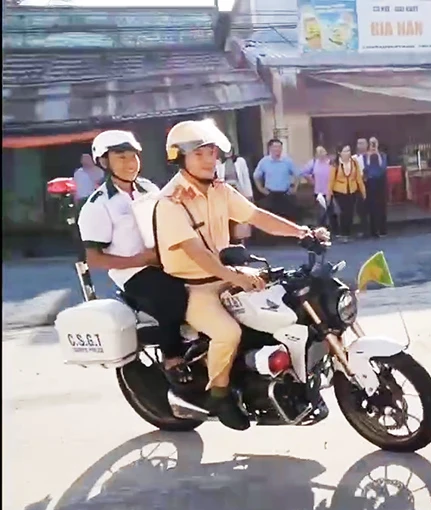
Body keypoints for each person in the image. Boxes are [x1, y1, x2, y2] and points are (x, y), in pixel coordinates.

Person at [156, 119, 329, 431]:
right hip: (196, 286)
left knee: (282, 303)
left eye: (212, 153)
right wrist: (235, 277)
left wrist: (302, 233)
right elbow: (196, 253)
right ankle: (219, 395)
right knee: (227, 333)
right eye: (200, 154)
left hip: (228, 273)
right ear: (180, 158)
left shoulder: (220, 191)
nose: (209, 160)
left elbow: (258, 216)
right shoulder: (171, 202)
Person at [77, 130, 192, 385]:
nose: (131, 163)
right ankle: (172, 359)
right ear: (104, 162)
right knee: (172, 295)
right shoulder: (97, 206)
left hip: (166, 261)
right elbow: (95, 259)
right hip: (133, 273)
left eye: (134, 156)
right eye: (121, 157)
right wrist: (143, 259)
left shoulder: (149, 189)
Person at [327, 144, 366, 243]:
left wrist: (363, 191)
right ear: (340, 153)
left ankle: (348, 233)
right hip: (339, 191)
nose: (347, 153)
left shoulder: (354, 162)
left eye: (349, 151)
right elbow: (331, 180)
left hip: (352, 190)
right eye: (345, 151)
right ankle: (343, 234)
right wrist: (329, 194)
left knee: (350, 212)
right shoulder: (335, 164)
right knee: (343, 212)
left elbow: (358, 178)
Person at [253, 139, 299, 220]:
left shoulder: (287, 161)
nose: (277, 149)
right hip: (271, 194)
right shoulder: (264, 161)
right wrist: (261, 189)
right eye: (275, 147)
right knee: (272, 219)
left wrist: (295, 188)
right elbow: (256, 176)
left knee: (288, 219)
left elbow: (297, 174)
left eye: (279, 147)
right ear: (270, 148)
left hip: (285, 194)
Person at [217, 150, 254, 245]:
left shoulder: (240, 161)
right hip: (223, 192)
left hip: (238, 191)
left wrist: (249, 195)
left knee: (240, 217)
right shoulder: (218, 162)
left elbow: (245, 178)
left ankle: (241, 242)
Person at [299, 145, 335, 229]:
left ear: (326, 152)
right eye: (319, 152)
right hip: (319, 191)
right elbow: (303, 172)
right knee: (321, 213)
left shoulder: (331, 162)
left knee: (332, 212)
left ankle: (334, 231)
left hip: (331, 191)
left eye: (322, 151)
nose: (321, 154)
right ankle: (321, 230)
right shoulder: (313, 162)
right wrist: (311, 180)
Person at [364, 137, 388, 238]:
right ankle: (373, 231)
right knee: (372, 207)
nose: (373, 145)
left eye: (375, 143)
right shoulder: (366, 156)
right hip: (370, 181)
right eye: (371, 143)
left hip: (380, 181)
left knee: (382, 206)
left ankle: (383, 230)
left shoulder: (382, 155)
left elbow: (383, 167)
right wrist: (369, 156)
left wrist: (377, 154)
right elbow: (367, 167)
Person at [353, 137, 369, 237]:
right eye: (359, 143)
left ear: (367, 145)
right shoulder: (353, 158)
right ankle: (363, 229)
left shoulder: (371, 156)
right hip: (358, 185)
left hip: (370, 184)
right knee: (360, 209)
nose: (361, 145)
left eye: (363, 143)